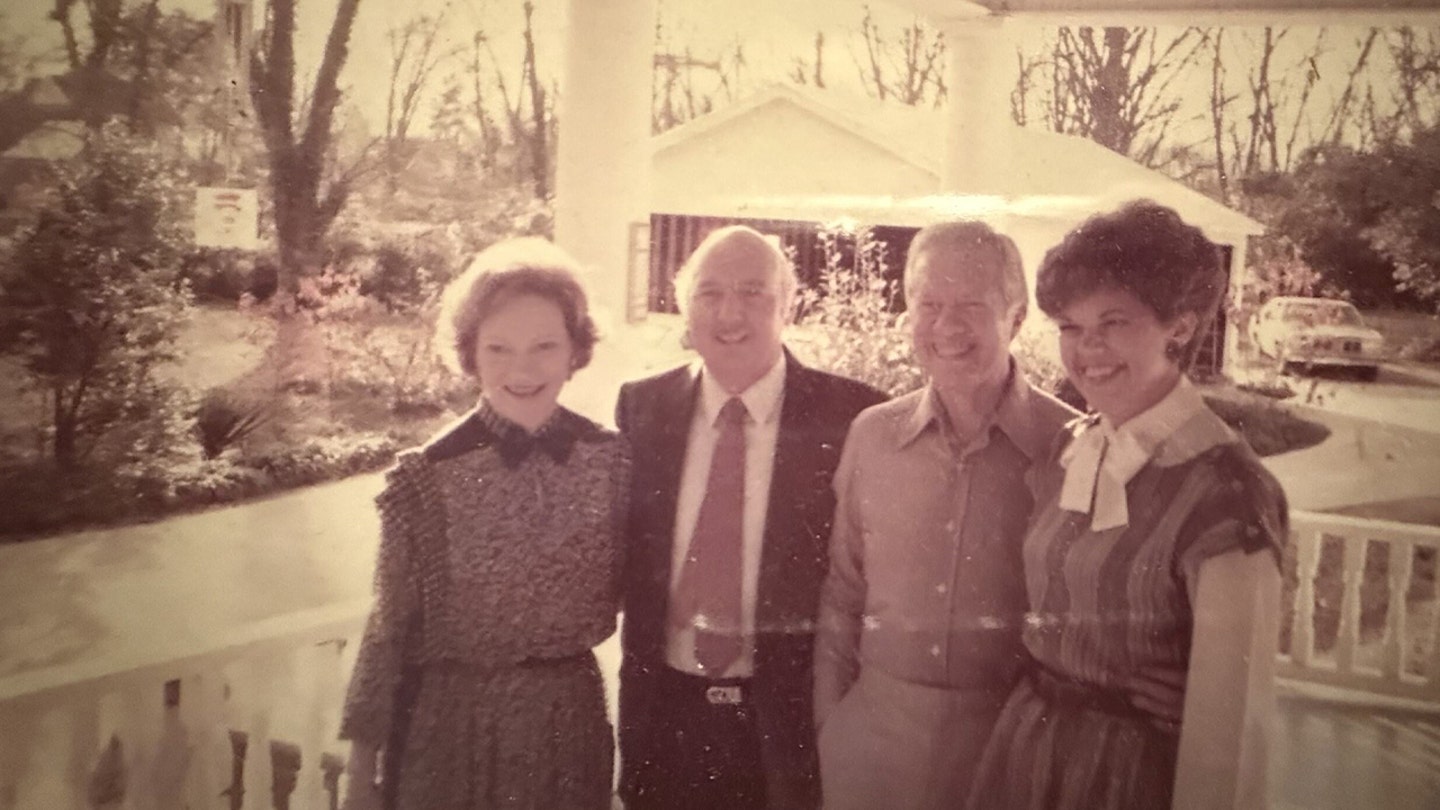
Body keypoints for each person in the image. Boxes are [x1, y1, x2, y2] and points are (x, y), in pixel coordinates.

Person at [966, 200, 1286, 810]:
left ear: (1181, 326)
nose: (1088, 350)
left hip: (1126, 776)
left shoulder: (1228, 493)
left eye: (1113, 322)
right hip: (1029, 752)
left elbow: (1232, 728)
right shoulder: (1071, 448)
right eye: (1070, 327)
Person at [339, 238, 627, 810]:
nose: (522, 369)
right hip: (453, 727)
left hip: (569, 724)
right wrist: (361, 773)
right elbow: (388, 630)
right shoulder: (425, 477)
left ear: (576, 350)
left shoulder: (614, 461)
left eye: (545, 345)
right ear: (470, 355)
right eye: (499, 348)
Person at [615, 225, 887, 810]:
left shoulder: (852, 415)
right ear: (684, 307)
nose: (729, 312)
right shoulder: (642, 407)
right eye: (709, 293)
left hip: (788, 722)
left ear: (789, 305)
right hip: (665, 711)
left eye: (753, 293)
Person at [812, 221, 1076, 810]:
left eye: (970, 306)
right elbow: (844, 591)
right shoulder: (872, 435)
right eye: (928, 304)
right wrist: (832, 725)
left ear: (1016, 316)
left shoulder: (1069, 446)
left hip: (1006, 750)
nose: (946, 327)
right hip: (869, 747)